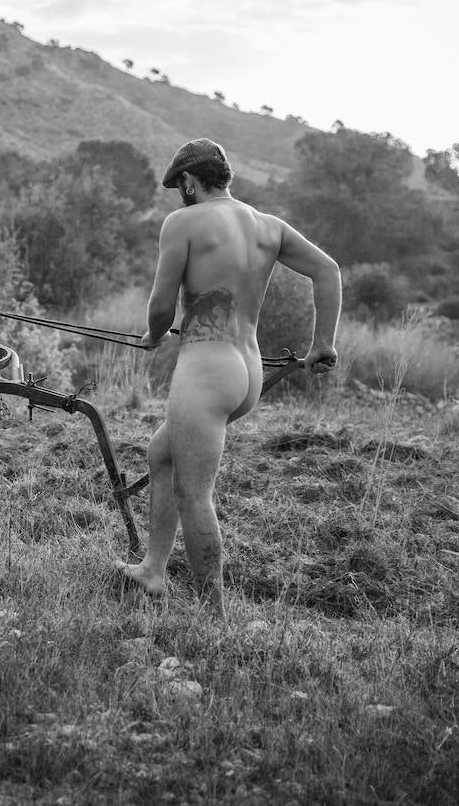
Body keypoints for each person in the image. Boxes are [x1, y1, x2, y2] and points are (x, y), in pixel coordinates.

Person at [117, 138, 341, 617]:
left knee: (194, 493)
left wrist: (154, 336)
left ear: (189, 182)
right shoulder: (267, 226)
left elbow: (161, 306)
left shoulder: (183, 222)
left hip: (205, 367)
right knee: (162, 455)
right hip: (248, 370)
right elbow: (328, 270)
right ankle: (152, 571)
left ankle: (212, 617)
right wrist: (323, 343)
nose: (181, 195)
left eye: (181, 187)